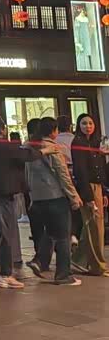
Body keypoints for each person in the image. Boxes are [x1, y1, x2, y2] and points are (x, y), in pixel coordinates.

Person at [0, 116, 46, 289]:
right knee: (5, 233)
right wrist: (46, 151)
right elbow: (25, 155)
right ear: (2, 129)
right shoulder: (3, 145)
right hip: (1, 194)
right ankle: (3, 273)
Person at [26, 116, 83, 286]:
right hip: (55, 197)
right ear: (53, 131)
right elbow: (63, 174)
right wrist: (74, 196)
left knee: (51, 232)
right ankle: (63, 275)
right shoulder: (53, 148)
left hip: (37, 198)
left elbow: (26, 174)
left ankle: (39, 261)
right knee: (63, 236)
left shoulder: (28, 146)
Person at [71, 113, 109, 277]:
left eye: (90, 123)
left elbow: (100, 168)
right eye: (84, 123)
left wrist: (104, 191)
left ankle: (78, 260)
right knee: (95, 228)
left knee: (93, 226)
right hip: (88, 188)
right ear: (78, 126)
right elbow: (80, 171)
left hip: (98, 187)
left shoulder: (95, 143)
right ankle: (98, 266)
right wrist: (88, 197)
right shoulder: (78, 143)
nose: (88, 126)